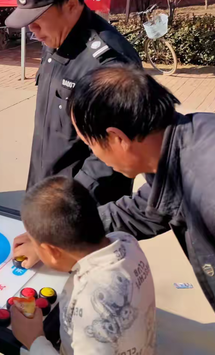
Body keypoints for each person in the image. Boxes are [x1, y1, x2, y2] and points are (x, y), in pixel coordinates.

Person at [9, 0, 141, 268]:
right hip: (50, 206)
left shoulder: (108, 65)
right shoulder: (54, 39)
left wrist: (56, 225)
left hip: (84, 221)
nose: (33, 30)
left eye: (39, 19)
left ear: (71, 6)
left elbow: (107, 165)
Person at [69, 65, 215, 311]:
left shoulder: (206, 185)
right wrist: (64, 232)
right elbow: (141, 210)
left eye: (90, 144)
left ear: (117, 138)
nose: (92, 154)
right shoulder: (179, 145)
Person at [10, 176, 156, 354]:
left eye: (35, 245)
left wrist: (34, 340)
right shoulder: (125, 240)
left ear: (53, 251)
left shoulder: (89, 309)